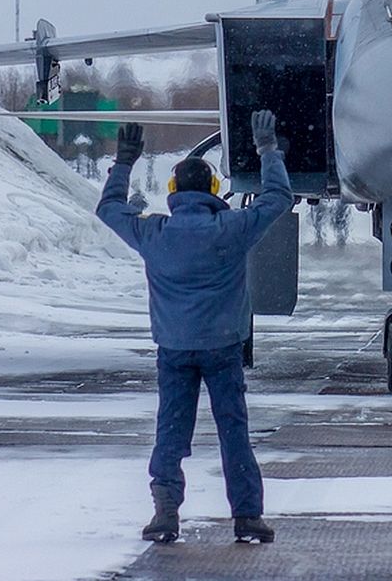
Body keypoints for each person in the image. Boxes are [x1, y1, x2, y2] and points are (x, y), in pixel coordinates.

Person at [96, 110, 293, 545]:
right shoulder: (232, 227)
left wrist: (124, 162)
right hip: (223, 349)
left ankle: (165, 512)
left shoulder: (153, 233)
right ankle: (246, 516)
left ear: (172, 192)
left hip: (174, 349)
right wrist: (267, 151)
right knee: (233, 433)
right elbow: (278, 197)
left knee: (170, 432)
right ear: (213, 190)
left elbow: (108, 208)